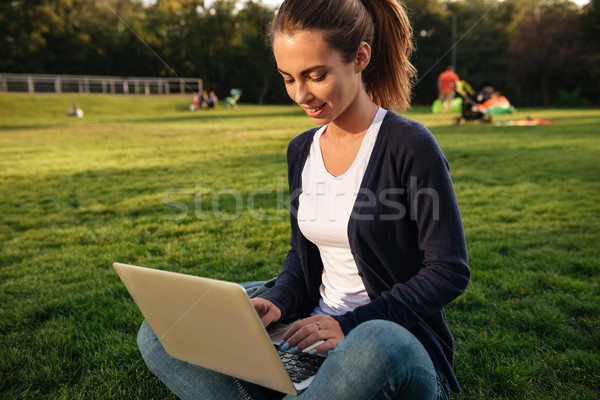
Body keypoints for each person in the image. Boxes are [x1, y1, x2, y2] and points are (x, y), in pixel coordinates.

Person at [137, 1, 469, 399]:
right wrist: (278, 301)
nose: (301, 94)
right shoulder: (301, 150)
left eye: (316, 75)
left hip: (386, 344)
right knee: (164, 326)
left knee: (377, 341)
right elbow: (301, 256)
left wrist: (351, 324)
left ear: (360, 57)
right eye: (288, 78)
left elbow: (448, 270)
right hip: (306, 332)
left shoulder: (409, 145)